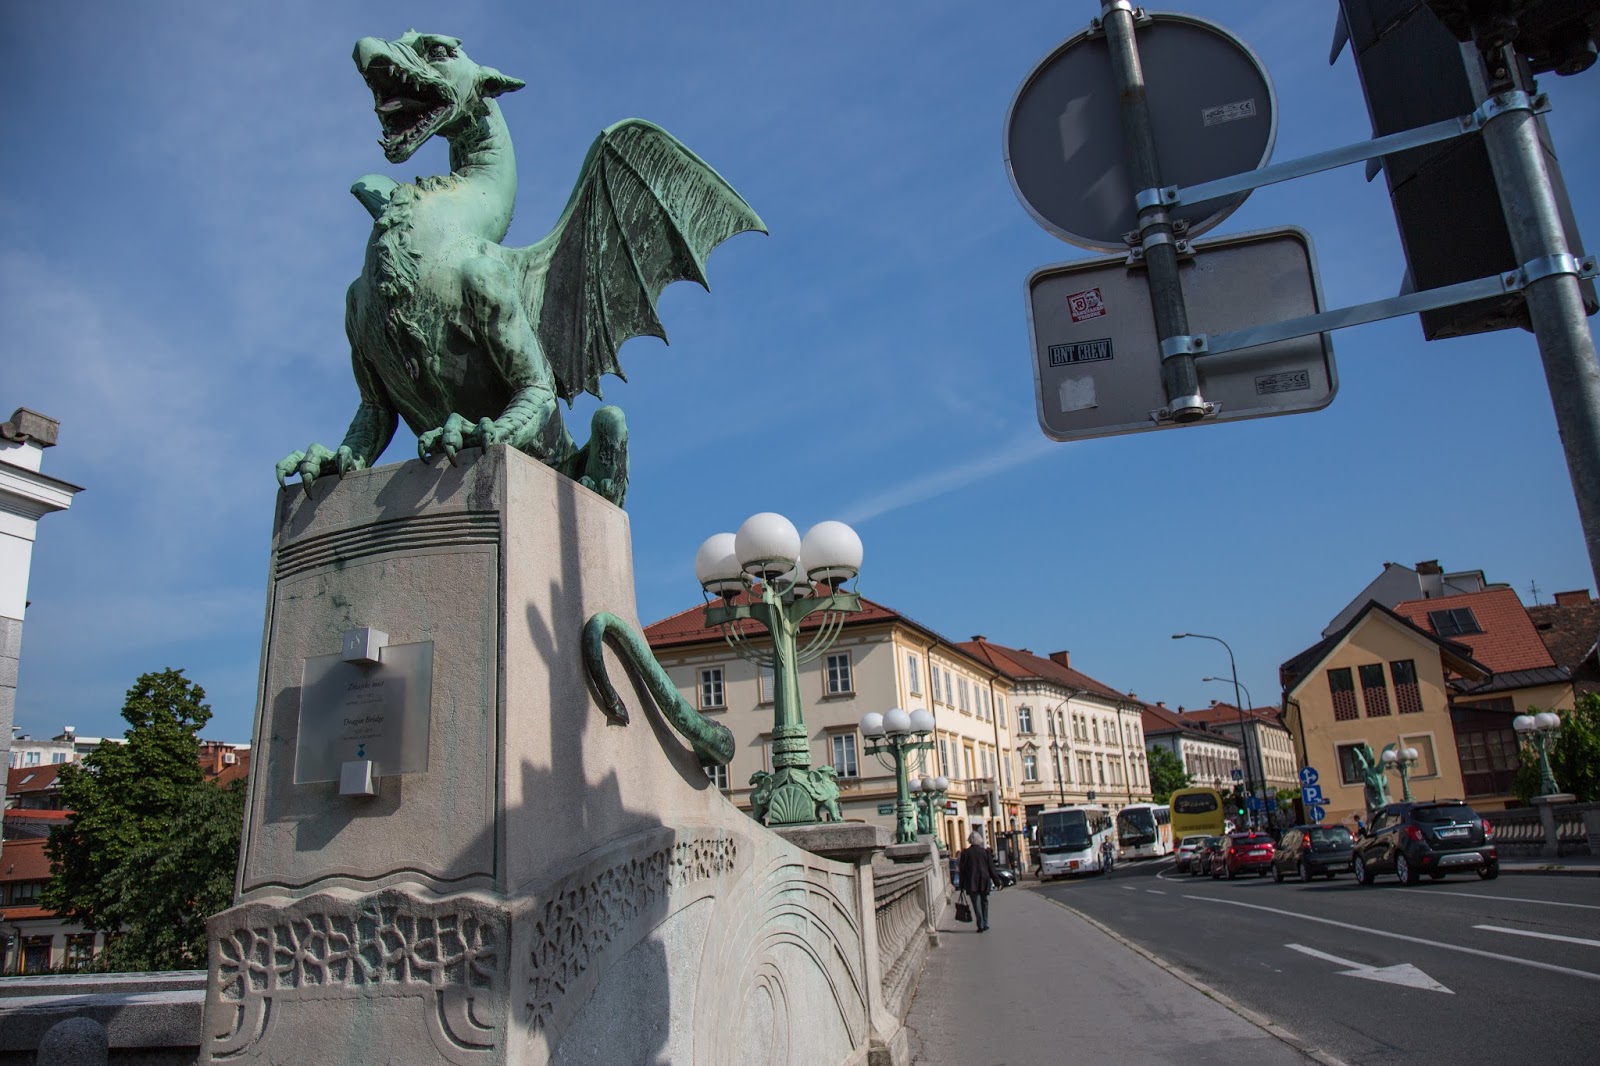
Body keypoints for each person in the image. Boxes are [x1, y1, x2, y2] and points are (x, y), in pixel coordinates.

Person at [957, 830, 1001, 933]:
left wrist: (961, 885)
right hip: (984, 880)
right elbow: (991, 868)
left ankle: (980, 924)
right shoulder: (985, 852)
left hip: (972, 882)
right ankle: (985, 923)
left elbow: (962, 871)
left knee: (976, 904)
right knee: (984, 902)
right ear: (980, 840)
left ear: (970, 840)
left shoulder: (965, 853)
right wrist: (997, 882)